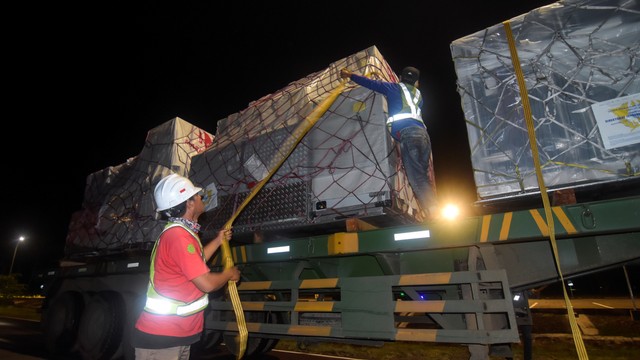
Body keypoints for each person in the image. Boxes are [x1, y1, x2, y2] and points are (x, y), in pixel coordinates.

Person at [132, 173, 241, 360]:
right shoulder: (179, 237)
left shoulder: (182, 233)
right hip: (162, 339)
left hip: (175, 336)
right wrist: (228, 274)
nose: (201, 197)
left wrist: (217, 240)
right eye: (196, 195)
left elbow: (193, 265)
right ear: (189, 203)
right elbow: (205, 283)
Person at [340, 66, 438, 219]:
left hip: (409, 135)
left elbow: (371, 84)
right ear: (417, 83)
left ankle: (434, 214)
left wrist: (350, 75)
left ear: (399, 77)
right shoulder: (419, 95)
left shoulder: (393, 88)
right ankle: (433, 209)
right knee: (422, 177)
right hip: (424, 136)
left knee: (417, 178)